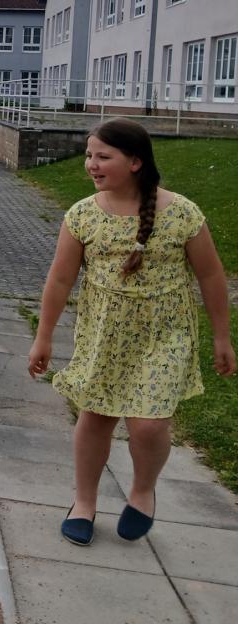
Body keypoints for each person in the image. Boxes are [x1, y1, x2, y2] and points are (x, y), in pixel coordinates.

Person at [28, 119, 234, 546]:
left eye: (103, 156)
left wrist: (221, 336)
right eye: (89, 155)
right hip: (104, 335)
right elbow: (60, 280)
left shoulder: (181, 213)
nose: (91, 164)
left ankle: (142, 491)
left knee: (148, 426)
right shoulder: (82, 215)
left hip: (166, 336)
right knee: (96, 417)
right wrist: (43, 336)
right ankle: (84, 502)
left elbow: (211, 275)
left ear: (135, 162)